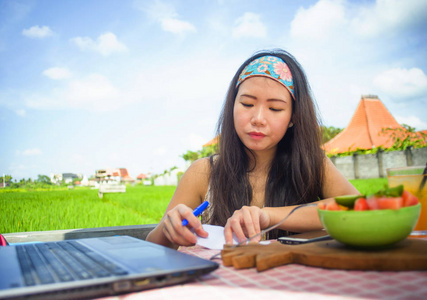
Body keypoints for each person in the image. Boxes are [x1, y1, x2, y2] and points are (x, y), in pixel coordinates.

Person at [146, 49, 359, 249]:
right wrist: (169, 228)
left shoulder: (312, 164)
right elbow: (153, 246)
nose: (258, 119)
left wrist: (268, 216)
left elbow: (356, 206)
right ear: (232, 106)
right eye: (247, 104)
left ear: (293, 117)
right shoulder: (204, 172)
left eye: (275, 108)